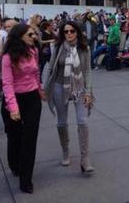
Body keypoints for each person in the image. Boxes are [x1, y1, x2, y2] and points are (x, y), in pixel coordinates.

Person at [42, 21, 95, 174]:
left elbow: (87, 71)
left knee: (83, 122)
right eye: (66, 31)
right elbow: (51, 67)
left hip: (79, 88)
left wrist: (88, 92)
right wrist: (45, 88)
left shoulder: (85, 48)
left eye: (72, 31)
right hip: (60, 86)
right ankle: (65, 151)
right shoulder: (58, 47)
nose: (69, 34)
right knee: (61, 122)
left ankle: (85, 159)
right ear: (62, 33)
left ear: (77, 32)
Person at [1, 24, 43, 193]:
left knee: (29, 139)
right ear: (19, 37)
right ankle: (14, 164)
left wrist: (40, 90)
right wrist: (13, 107)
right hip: (14, 100)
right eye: (30, 34)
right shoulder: (7, 58)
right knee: (15, 137)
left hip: (32, 98)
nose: (34, 36)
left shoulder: (34, 51)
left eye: (34, 34)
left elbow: (35, 73)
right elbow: (7, 83)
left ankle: (26, 180)